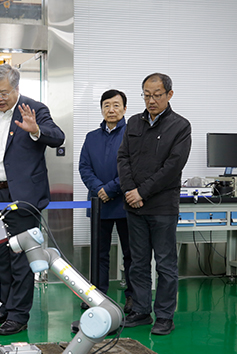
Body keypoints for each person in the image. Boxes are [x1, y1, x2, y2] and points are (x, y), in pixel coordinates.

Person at [0, 64, 65, 335]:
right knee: (0, 254)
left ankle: (18, 315)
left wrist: (36, 130)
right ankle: (6, 306)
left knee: (20, 257)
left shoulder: (34, 108)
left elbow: (58, 137)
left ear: (16, 88)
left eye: (3, 93)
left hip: (22, 198)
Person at [117, 73, 192, 335]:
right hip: (134, 206)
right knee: (137, 263)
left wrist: (142, 192)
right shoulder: (134, 123)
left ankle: (164, 316)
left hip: (162, 207)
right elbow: (123, 158)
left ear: (169, 95)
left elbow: (172, 167)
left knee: (165, 264)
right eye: (146, 95)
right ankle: (140, 310)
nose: (151, 100)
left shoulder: (180, 126)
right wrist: (130, 190)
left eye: (157, 95)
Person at [79, 89, 133, 312]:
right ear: (101, 109)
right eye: (106, 105)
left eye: (116, 105)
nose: (111, 110)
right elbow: (84, 167)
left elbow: (133, 168)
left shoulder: (132, 135)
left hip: (126, 204)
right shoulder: (91, 137)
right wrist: (99, 189)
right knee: (98, 255)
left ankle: (133, 297)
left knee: (131, 254)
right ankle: (97, 296)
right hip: (99, 205)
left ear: (125, 108)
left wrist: (110, 189)